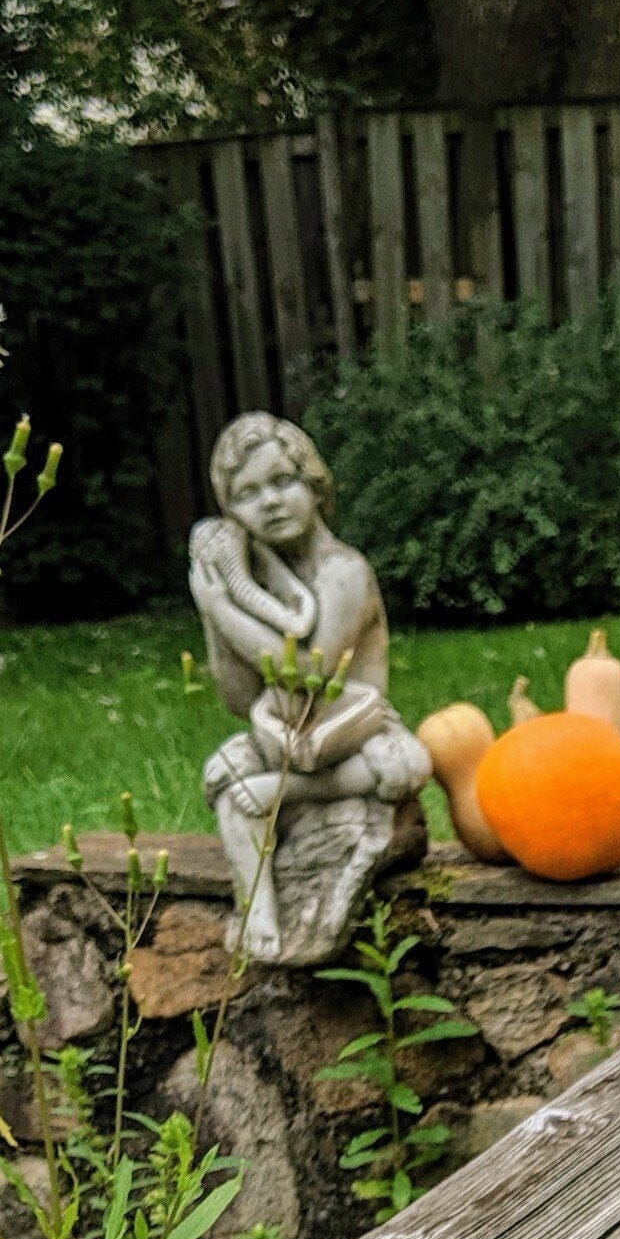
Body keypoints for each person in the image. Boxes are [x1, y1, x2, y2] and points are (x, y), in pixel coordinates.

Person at [188, 413, 430, 963]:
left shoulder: (342, 572)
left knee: (403, 763)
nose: (269, 502)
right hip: (284, 730)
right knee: (221, 786)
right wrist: (218, 601)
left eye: (281, 482)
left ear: (314, 483)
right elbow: (236, 696)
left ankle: (298, 793)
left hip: (349, 731)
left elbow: (308, 674)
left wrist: (221, 607)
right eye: (247, 494)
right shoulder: (265, 578)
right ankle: (257, 912)